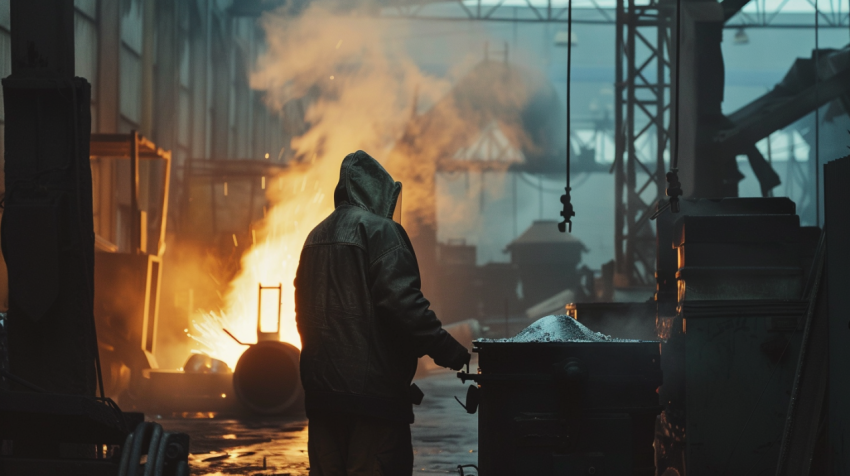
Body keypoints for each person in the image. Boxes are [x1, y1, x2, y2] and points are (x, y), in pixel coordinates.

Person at [294, 150, 471, 476]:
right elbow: (404, 306)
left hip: (321, 398)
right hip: (373, 401)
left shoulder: (314, 237)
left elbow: (302, 316)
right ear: (378, 192)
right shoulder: (381, 232)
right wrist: (450, 350)